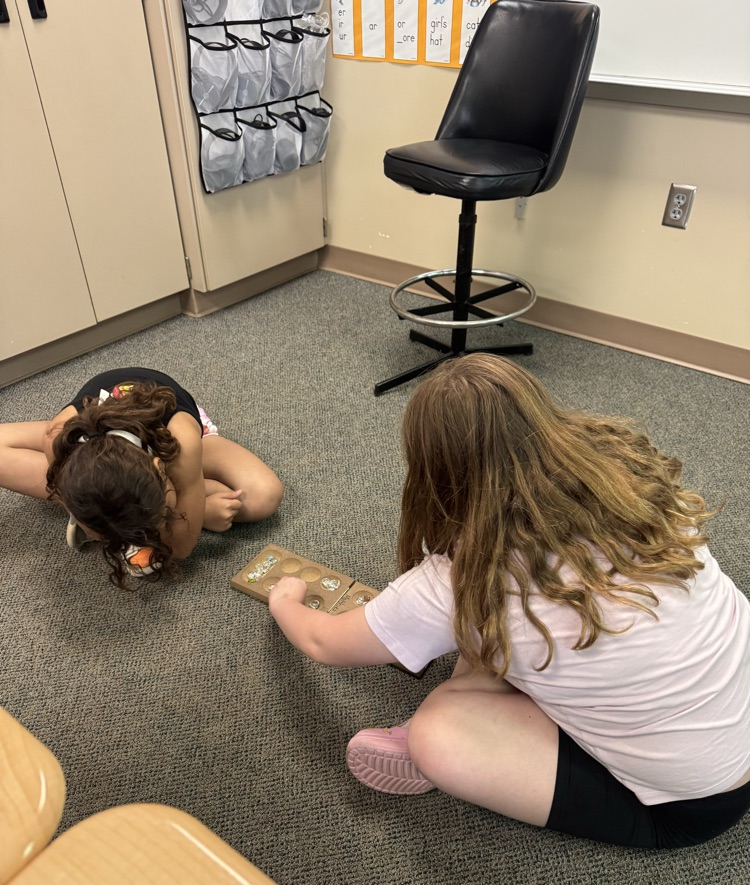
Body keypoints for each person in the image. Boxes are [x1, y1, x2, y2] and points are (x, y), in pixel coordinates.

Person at [268, 354, 750, 849]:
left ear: (434, 473)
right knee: (498, 634)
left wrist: (285, 600)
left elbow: (324, 642)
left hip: (693, 804)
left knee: (438, 730)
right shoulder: (631, 478)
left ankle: (443, 736)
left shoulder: (460, 580)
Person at [0, 367, 283, 587]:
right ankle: (116, 506)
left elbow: (181, 548)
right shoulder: (57, 438)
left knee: (263, 496)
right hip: (86, 435)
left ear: (161, 471)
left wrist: (198, 509)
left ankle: (163, 498)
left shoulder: (181, 444)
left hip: (166, 436)